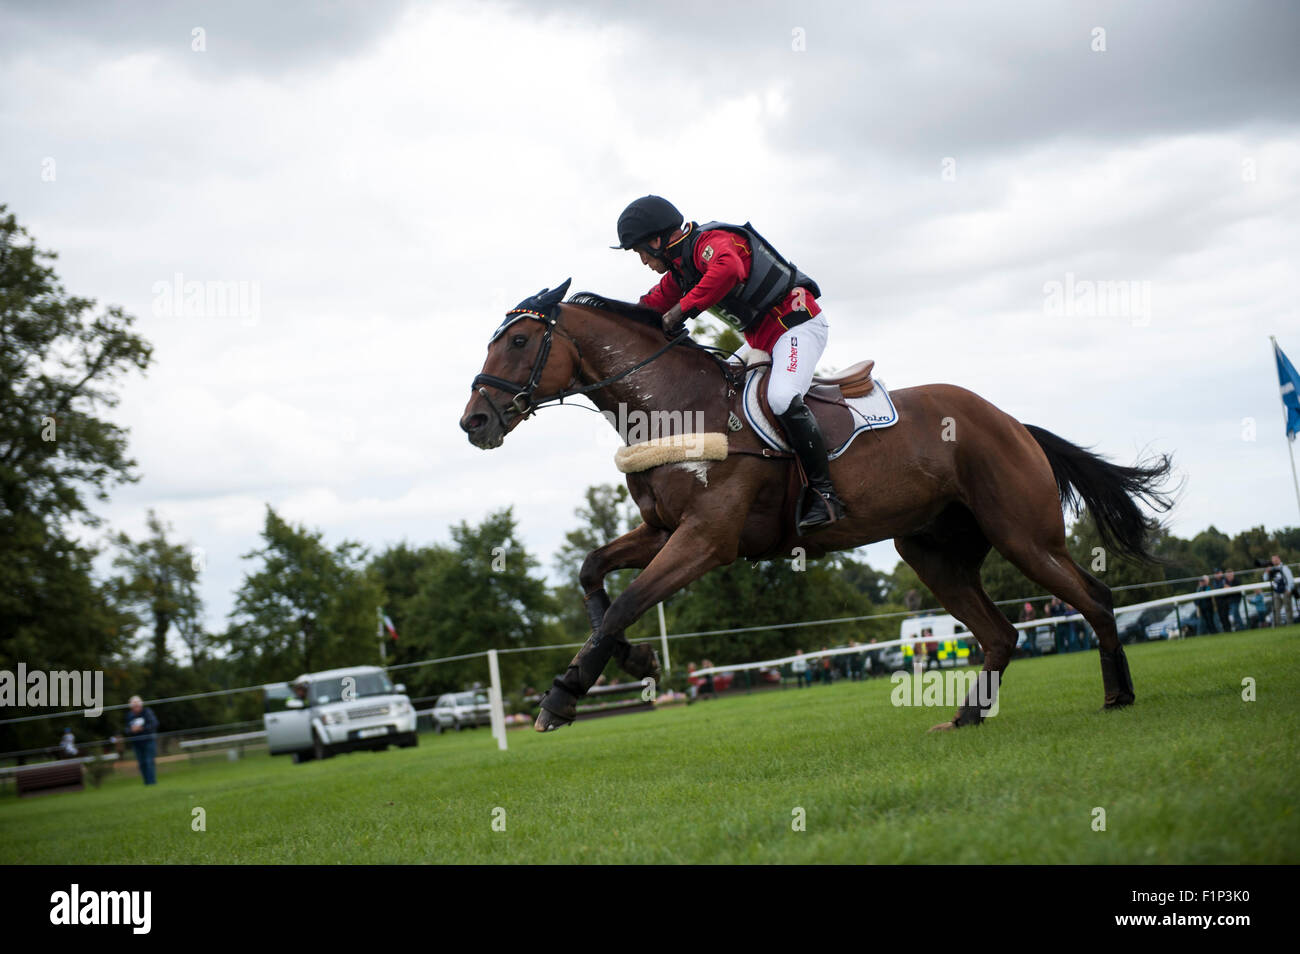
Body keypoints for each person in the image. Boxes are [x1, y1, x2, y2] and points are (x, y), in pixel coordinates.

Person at [613, 195, 845, 533]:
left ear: (656, 239)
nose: (643, 261)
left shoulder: (711, 242)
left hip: (798, 325)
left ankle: (825, 493)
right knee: (716, 388)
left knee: (781, 399)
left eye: (641, 252)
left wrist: (681, 311)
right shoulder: (681, 272)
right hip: (760, 341)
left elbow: (729, 269)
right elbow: (648, 305)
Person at [125, 695, 159, 786]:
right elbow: (126, 729)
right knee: (142, 763)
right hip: (136, 742)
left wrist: (141, 728)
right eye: (134, 706)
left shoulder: (147, 712)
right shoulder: (129, 716)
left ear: (141, 705)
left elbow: (154, 724)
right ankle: (147, 783)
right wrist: (131, 730)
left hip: (148, 740)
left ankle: (152, 782)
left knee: (149, 761)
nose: (136, 708)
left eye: (137, 705)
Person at [1266, 555, 1295, 626]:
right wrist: (1267, 572)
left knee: (1288, 608)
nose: (1273, 561)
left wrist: (1289, 589)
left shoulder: (1284, 568)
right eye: (1272, 560)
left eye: (1275, 559)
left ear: (1278, 559)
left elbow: (1290, 579)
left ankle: (1290, 624)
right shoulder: (1272, 569)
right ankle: (1278, 624)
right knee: (1276, 609)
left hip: (1285, 590)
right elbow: (1265, 579)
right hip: (1276, 591)